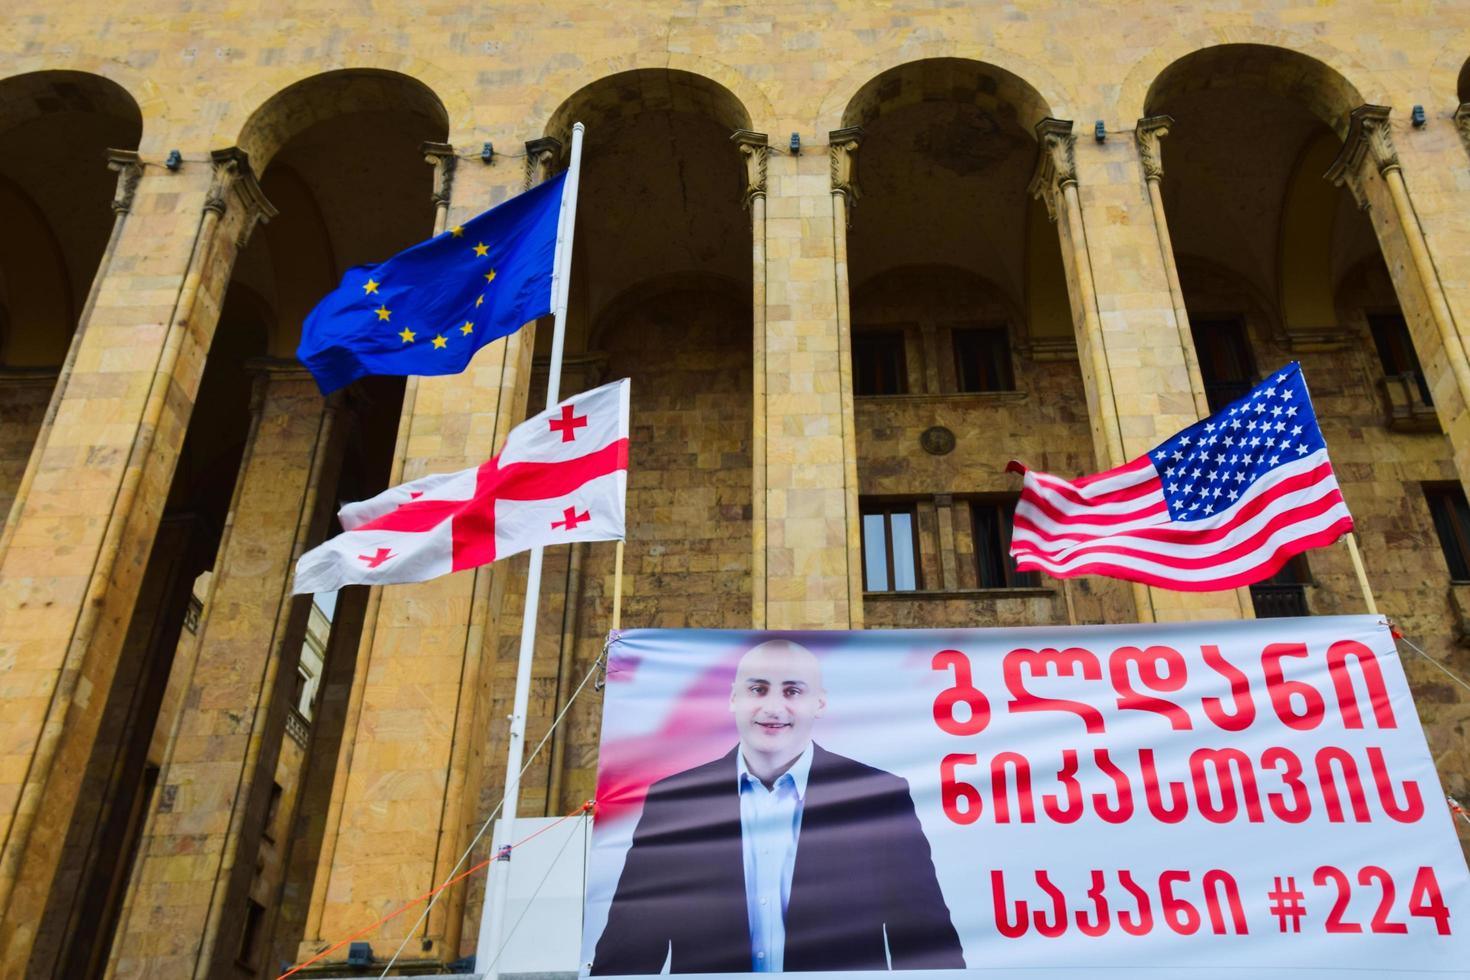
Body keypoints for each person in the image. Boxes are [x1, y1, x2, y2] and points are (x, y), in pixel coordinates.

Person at [590, 640, 965, 975]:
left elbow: (928, 947)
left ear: (819, 703)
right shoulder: (674, 802)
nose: (773, 707)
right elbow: (630, 948)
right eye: (758, 689)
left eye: (792, 690)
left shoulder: (878, 796)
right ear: (734, 698)